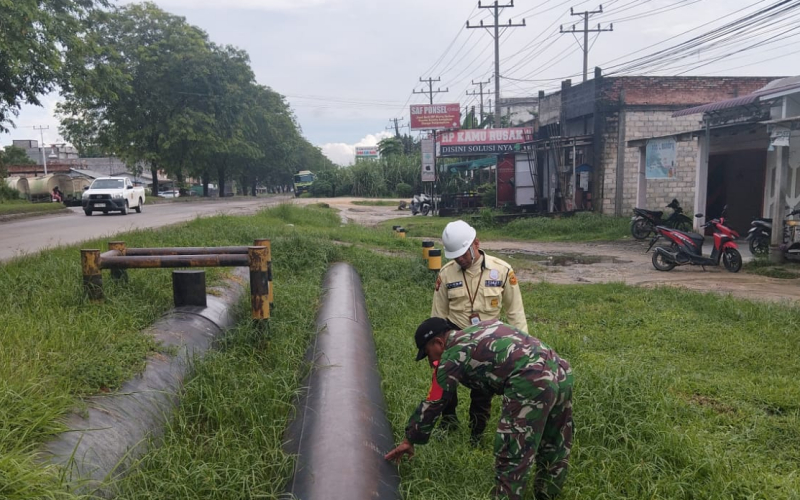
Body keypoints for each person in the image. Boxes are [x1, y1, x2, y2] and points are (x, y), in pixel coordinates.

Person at [385, 317, 573, 500]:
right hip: (560, 369)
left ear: (438, 342)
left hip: (531, 378)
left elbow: (434, 401)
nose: (429, 361)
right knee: (554, 442)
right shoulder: (477, 331)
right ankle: (548, 493)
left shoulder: (453, 354)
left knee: (512, 452)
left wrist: (410, 438)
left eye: (427, 353)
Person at [432, 219, 528, 440]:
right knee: (446, 383)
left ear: (476, 243)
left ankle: (477, 433)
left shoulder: (502, 271)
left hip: (488, 341)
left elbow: (515, 312)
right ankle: (449, 421)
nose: (460, 259)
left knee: (483, 392)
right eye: (455, 255)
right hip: (454, 336)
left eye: (463, 254)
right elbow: (438, 316)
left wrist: (520, 347)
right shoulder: (446, 274)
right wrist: (436, 351)